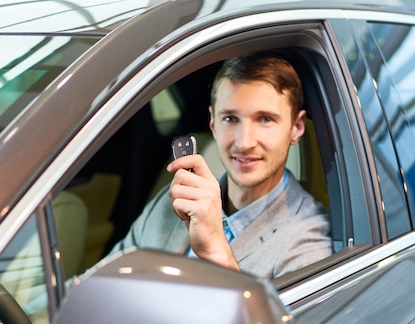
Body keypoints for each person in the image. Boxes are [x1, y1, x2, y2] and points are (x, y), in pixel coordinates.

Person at [109, 54, 332, 278]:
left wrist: (216, 251)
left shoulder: (308, 238)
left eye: (265, 119)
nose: (244, 143)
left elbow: (277, 315)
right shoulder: (171, 203)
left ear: (297, 128)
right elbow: (102, 283)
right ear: (213, 124)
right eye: (230, 119)